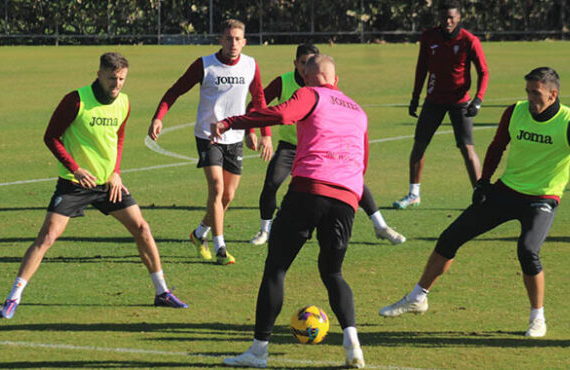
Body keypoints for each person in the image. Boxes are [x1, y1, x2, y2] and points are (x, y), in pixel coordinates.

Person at [379, 67, 570, 338]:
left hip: (542, 198)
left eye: (535, 93)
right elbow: (498, 145)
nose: (529, 97)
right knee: (450, 237)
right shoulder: (515, 112)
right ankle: (418, 297)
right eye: (526, 91)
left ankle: (537, 317)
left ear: (553, 95)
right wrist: (484, 182)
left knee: (527, 250)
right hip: (506, 191)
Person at [0, 52, 188, 320]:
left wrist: (116, 173)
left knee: (142, 228)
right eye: (112, 78)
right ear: (99, 74)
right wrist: (75, 168)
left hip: (108, 184)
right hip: (74, 183)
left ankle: (162, 292)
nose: (117, 84)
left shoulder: (124, 103)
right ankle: (13, 297)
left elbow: (118, 138)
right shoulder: (75, 100)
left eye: (121, 79)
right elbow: (51, 137)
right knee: (47, 237)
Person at [215, 54, 366, 368]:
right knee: (333, 272)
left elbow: (282, 114)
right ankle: (353, 346)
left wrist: (232, 122)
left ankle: (258, 351)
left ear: (308, 77)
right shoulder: (358, 110)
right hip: (347, 198)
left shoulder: (309, 94)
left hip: (309, 191)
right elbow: (362, 162)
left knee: (277, 268)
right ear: (336, 79)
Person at [249, 43, 406, 246]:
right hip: (290, 148)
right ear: (295, 63)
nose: (307, 69)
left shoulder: (324, 85)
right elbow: (255, 105)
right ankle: (264, 230)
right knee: (271, 183)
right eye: (303, 64)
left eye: (312, 64)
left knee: (355, 184)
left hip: (320, 149)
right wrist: (260, 133)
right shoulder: (284, 82)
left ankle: (381, 226)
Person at [148, 19, 271, 264]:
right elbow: (175, 90)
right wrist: (158, 117)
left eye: (237, 39)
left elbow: (259, 101)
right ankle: (220, 247)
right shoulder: (205, 65)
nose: (233, 43)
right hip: (208, 136)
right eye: (228, 38)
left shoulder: (250, 65)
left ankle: (198, 233)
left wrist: (263, 133)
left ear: (244, 42)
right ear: (220, 40)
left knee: (228, 196)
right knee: (216, 188)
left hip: (234, 137)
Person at [394, 0, 489, 209]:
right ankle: (413, 194)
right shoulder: (429, 37)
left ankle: (481, 196)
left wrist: (478, 100)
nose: (447, 21)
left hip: (460, 102)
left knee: (467, 148)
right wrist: (415, 97)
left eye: (451, 18)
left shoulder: (469, 40)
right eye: (444, 17)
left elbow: (483, 71)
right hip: (434, 101)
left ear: (459, 18)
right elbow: (422, 68)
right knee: (419, 145)